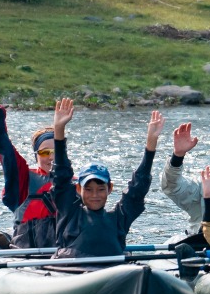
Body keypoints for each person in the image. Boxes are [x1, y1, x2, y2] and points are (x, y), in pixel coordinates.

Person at [48, 98, 162, 258]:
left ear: (110, 189)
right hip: (71, 273)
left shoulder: (118, 218)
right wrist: (59, 129)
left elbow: (137, 189)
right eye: (88, 189)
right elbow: (61, 176)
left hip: (111, 274)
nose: (95, 195)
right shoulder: (69, 212)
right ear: (79, 189)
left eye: (100, 189)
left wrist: (151, 144)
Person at [0, 64, 57, 249]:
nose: (51, 158)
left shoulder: (80, 183)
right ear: (36, 155)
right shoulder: (23, 178)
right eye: (45, 152)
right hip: (27, 259)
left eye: (57, 152)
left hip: (67, 257)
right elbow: (2, 142)